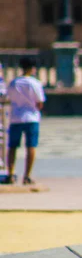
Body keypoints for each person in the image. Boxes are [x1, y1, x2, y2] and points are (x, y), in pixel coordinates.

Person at [3, 57, 45, 185]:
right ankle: (27, 176)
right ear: (32, 68)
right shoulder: (35, 83)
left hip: (16, 117)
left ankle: (10, 174)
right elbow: (40, 102)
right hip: (31, 117)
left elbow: (8, 98)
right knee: (31, 146)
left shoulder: (14, 83)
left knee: (12, 147)